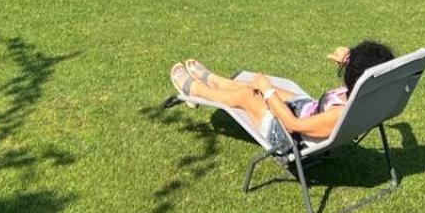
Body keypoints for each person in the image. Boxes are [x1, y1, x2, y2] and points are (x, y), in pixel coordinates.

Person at [168, 41, 395, 148]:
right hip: (307, 110)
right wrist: (349, 57)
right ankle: (214, 80)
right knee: (253, 84)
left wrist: (266, 91)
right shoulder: (369, 94)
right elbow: (369, 68)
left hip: (288, 135)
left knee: (248, 94)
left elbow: (292, 124)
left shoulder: (338, 114)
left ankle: (195, 90)